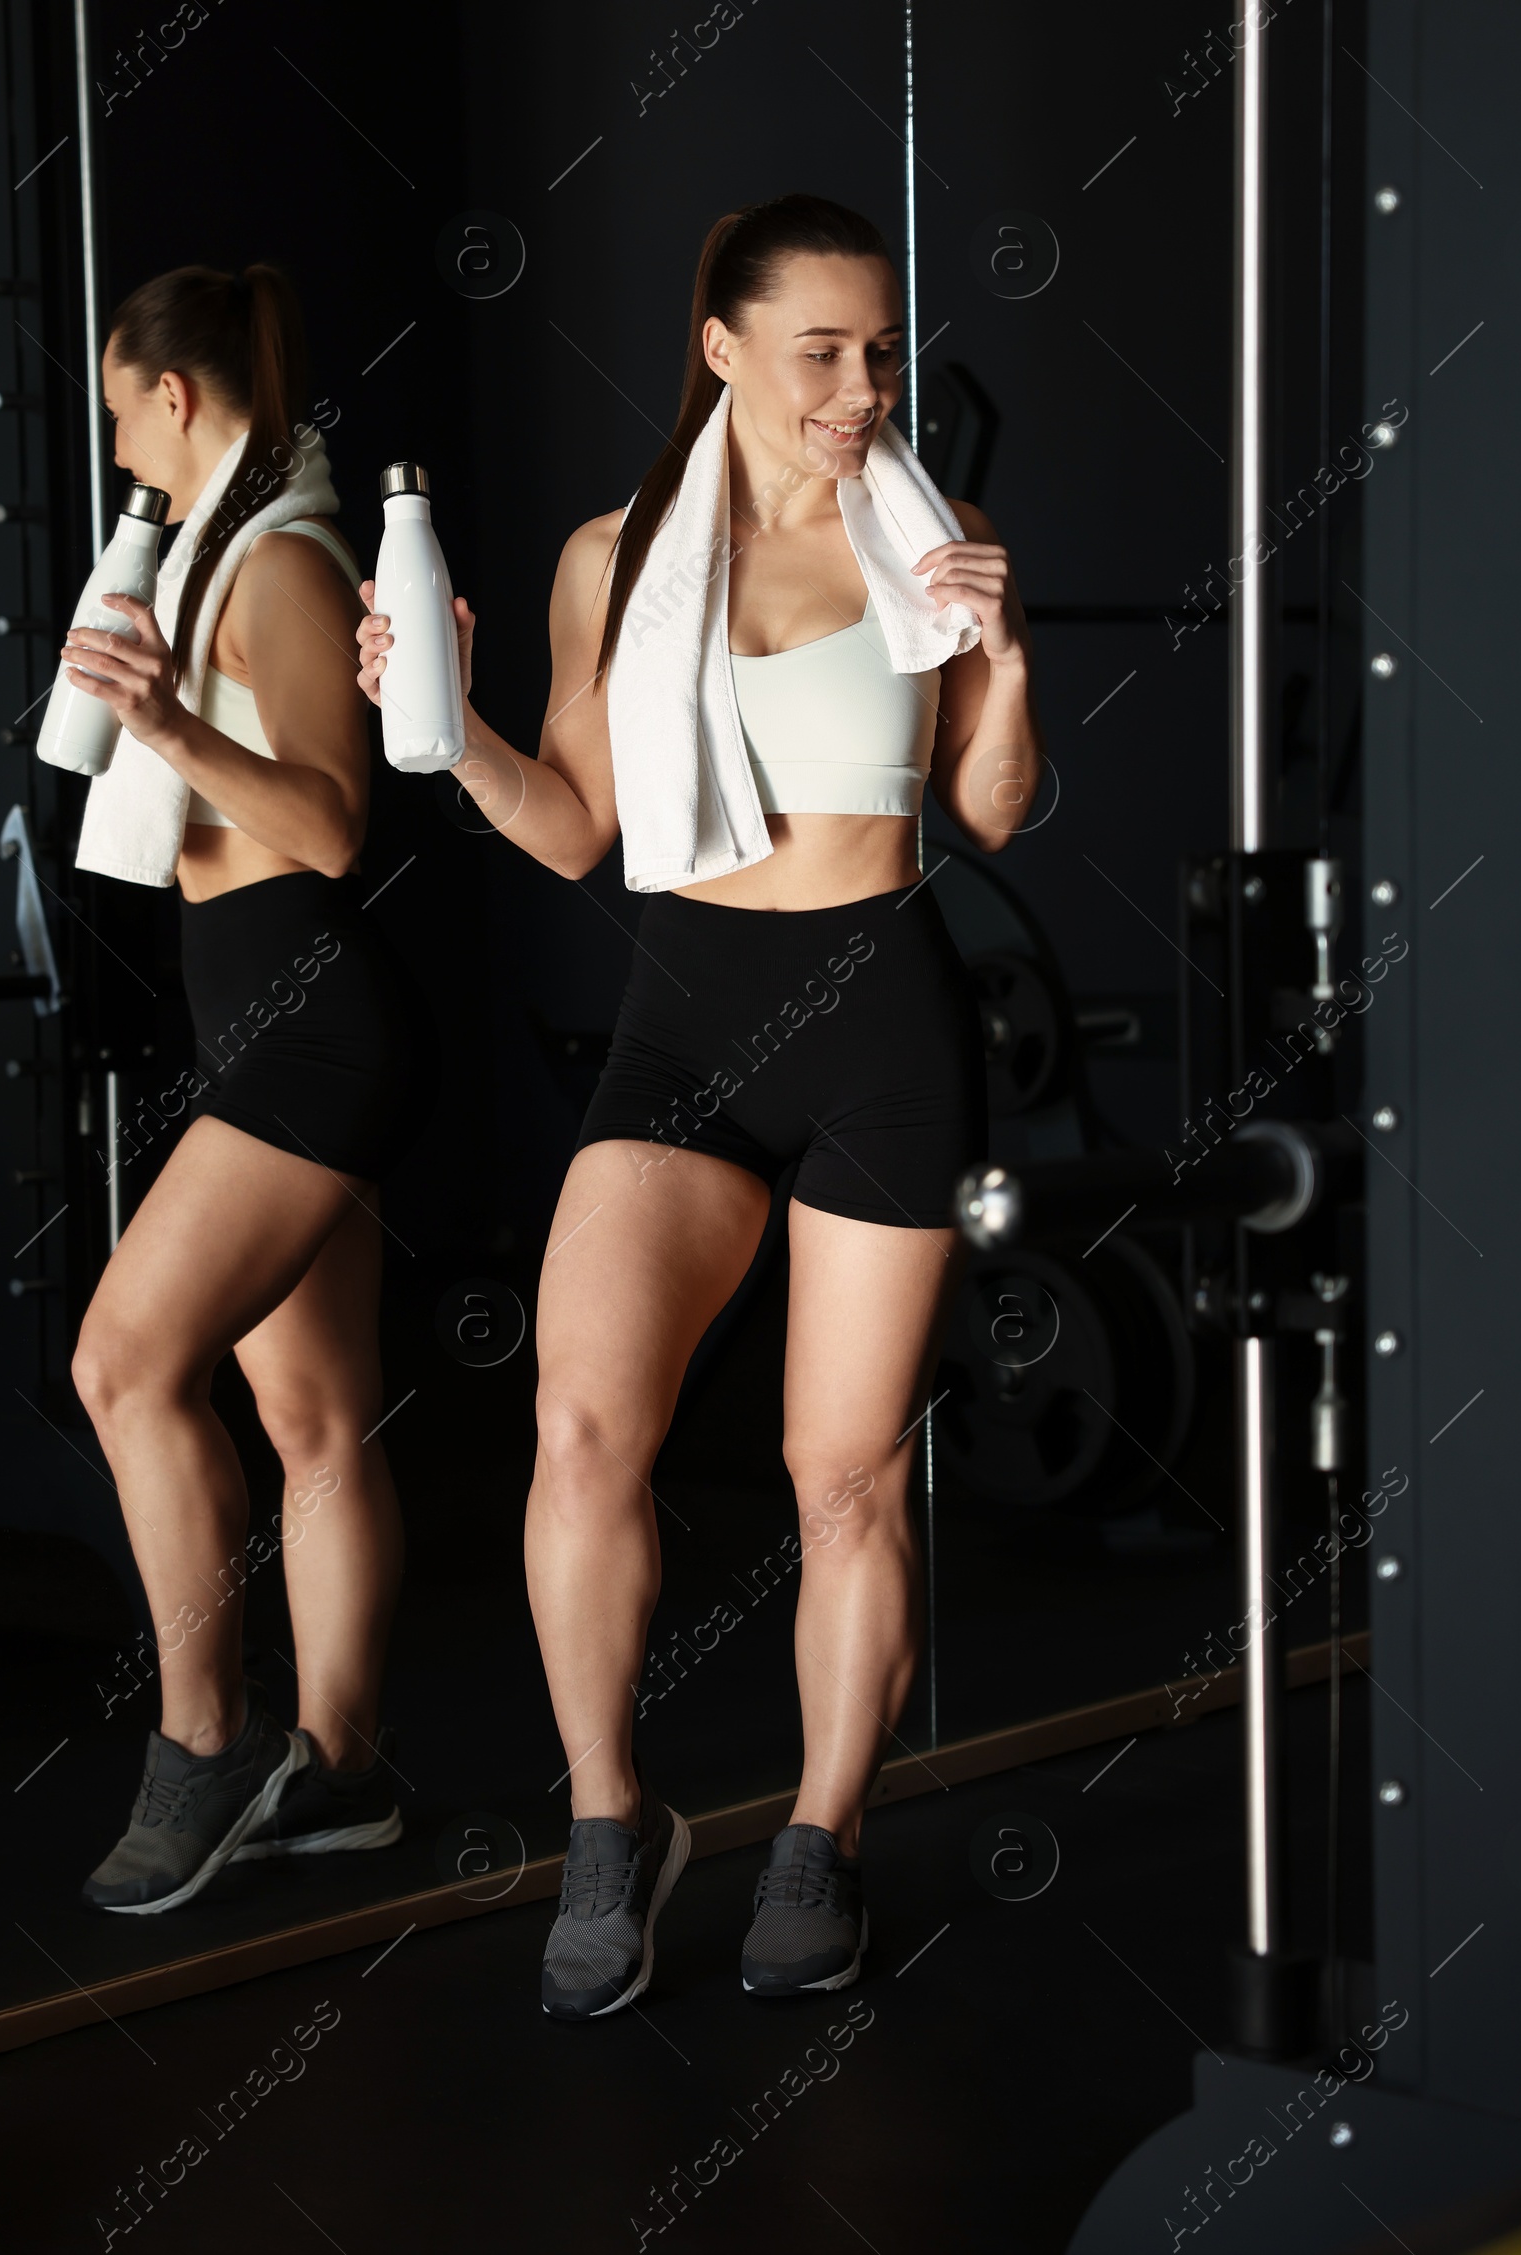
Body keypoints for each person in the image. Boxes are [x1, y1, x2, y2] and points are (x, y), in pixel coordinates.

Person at [358, 193, 1040, 2015]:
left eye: (880, 350)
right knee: (579, 1430)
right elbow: (575, 824)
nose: (858, 386)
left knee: (846, 1476)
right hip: (686, 1021)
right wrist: (446, 740)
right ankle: (611, 1824)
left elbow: (989, 812)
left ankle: (817, 1841)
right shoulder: (614, 554)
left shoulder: (938, 538)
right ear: (723, 347)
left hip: (884, 1021)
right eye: (820, 350)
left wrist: (1010, 663)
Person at [66, 265, 416, 1912]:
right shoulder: (208, 553)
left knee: (125, 1364)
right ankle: (343, 1777)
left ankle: (202, 1746)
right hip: (267, 1022)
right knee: (313, 1415)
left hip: (312, 1035)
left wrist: (166, 722)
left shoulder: (276, 560)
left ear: (176, 398)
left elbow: (337, 823)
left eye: (121, 402)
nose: (115, 432)